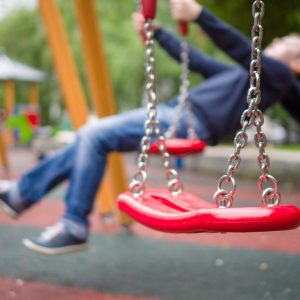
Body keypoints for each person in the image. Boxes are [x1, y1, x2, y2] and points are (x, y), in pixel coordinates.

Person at [0, 0, 300, 255]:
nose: (274, 42)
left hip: (186, 123)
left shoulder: (280, 77)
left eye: (284, 42)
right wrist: (157, 33)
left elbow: (240, 49)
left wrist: (200, 17)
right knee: (88, 137)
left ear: (297, 64)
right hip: (173, 114)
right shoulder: (244, 76)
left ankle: (73, 223)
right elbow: (198, 62)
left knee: (94, 134)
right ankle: (20, 195)